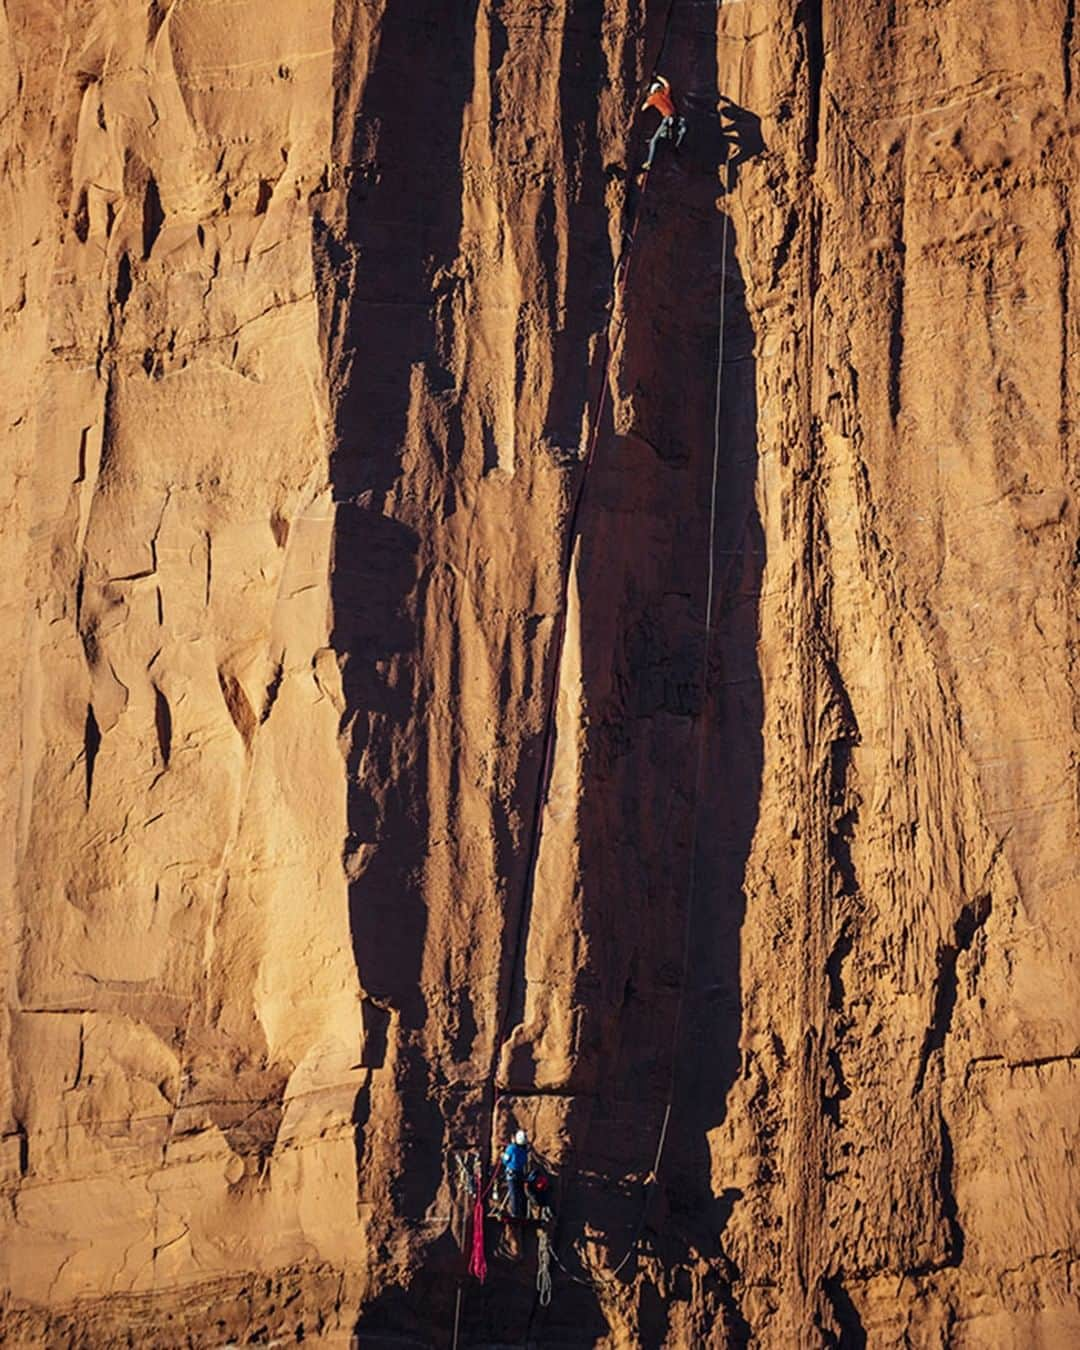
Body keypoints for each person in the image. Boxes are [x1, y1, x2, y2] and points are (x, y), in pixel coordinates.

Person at [641, 75, 687, 171]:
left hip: (667, 120)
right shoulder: (666, 93)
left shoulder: (653, 98)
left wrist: (646, 98)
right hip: (676, 119)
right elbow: (666, 83)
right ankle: (676, 148)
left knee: (653, 141)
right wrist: (657, 76)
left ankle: (649, 162)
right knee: (674, 135)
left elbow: (643, 108)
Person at [501, 1128, 530, 1220]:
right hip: (520, 1174)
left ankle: (515, 1213)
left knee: (514, 1193)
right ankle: (523, 1213)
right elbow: (524, 1162)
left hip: (511, 1174)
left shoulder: (511, 1148)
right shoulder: (524, 1151)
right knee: (521, 1193)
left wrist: (502, 1156)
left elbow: (506, 1160)